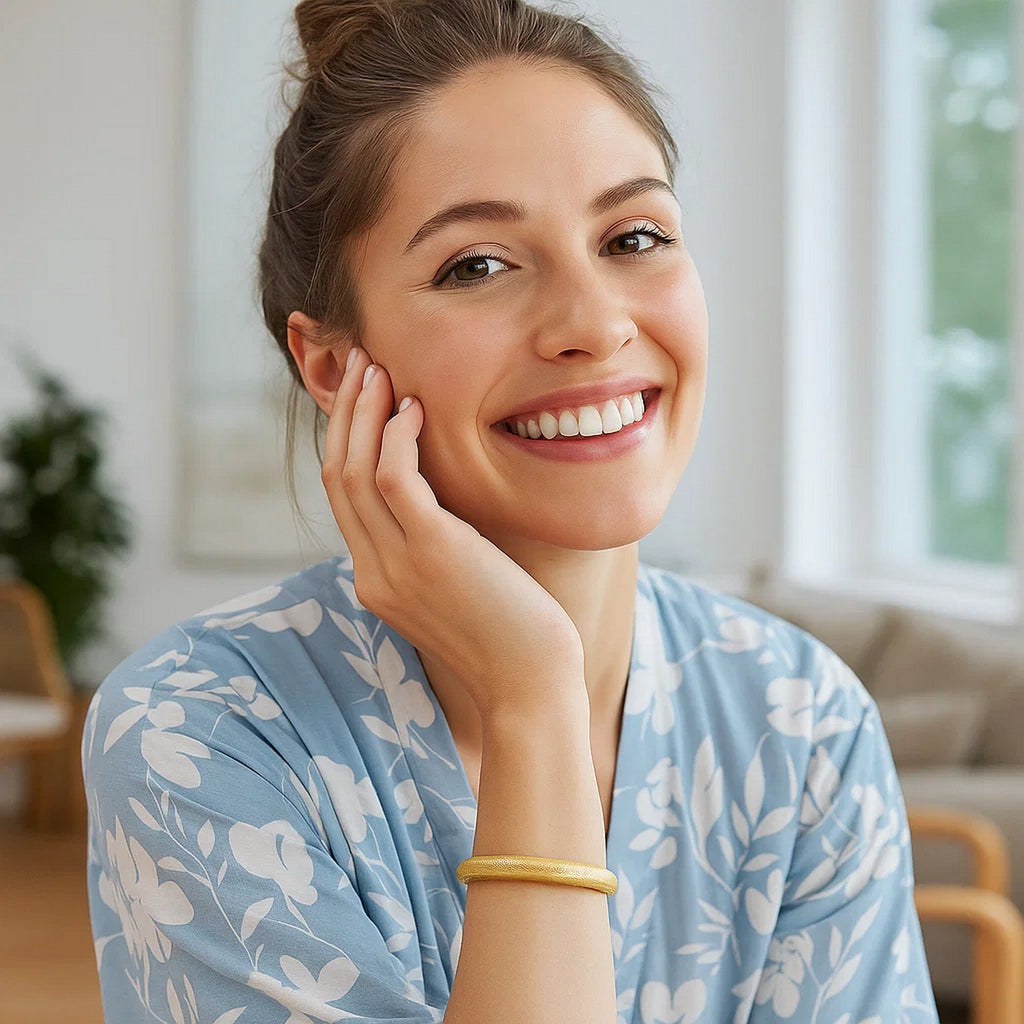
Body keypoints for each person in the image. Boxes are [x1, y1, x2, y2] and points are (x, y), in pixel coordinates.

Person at [82, 1, 941, 1021]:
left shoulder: (797, 719)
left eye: (633, 236)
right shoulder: (200, 732)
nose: (593, 321)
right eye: (477, 264)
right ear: (328, 363)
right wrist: (535, 701)